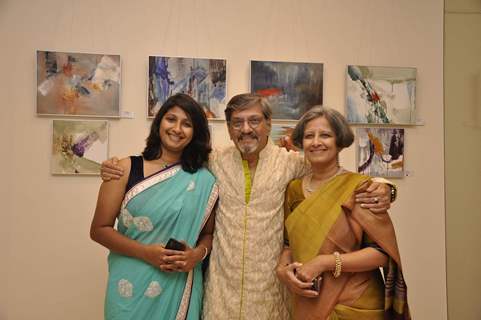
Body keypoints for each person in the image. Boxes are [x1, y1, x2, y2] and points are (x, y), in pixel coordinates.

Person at [101, 93, 395, 320]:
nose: (246, 129)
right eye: (237, 123)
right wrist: (114, 166)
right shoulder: (213, 161)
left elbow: (334, 174)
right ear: (228, 130)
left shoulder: (292, 163)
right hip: (220, 295)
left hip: (271, 295)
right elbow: (168, 165)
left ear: (269, 125)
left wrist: (386, 186)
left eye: (254, 121)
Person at [90, 93, 218, 320]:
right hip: (129, 286)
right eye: (171, 119)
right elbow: (99, 230)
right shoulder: (124, 169)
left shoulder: (204, 179)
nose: (177, 129)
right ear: (159, 122)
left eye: (187, 124)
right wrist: (146, 253)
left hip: (178, 285)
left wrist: (196, 256)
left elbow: (207, 234)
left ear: (195, 133)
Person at [276, 106, 409, 319]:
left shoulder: (361, 188)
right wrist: (283, 271)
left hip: (356, 302)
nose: (316, 142)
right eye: (309, 136)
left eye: (325, 135)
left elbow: (381, 254)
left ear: (339, 142)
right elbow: (289, 244)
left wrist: (325, 262)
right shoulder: (293, 189)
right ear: (302, 142)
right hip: (309, 300)